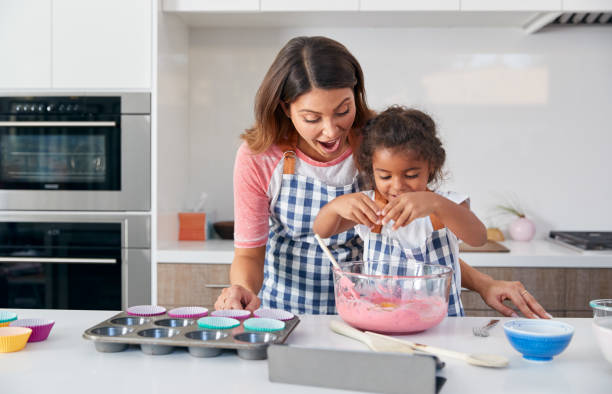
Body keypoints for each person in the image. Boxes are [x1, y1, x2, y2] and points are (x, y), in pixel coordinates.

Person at [214, 35, 551, 319]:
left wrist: (483, 284)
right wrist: (241, 289)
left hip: (375, 312)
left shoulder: (381, 144)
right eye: (312, 117)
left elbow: (415, 242)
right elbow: (249, 253)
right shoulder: (260, 157)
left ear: (356, 94)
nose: (331, 131)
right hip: (289, 312)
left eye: (343, 110)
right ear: (285, 108)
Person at [313, 106, 487, 316]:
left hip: (441, 326)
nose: (397, 186)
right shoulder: (372, 208)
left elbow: (479, 238)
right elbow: (321, 231)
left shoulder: (446, 204)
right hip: (382, 324)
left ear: (431, 166)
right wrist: (334, 207)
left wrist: (436, 204)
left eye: (411, 175)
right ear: (372, 171)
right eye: (385, 177)